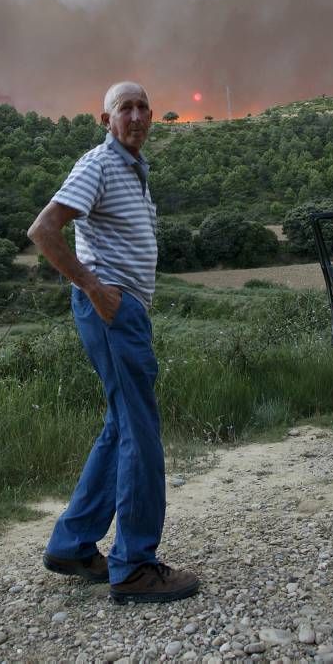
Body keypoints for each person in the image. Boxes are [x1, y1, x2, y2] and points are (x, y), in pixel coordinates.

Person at [27, 81, 199, 605]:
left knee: (121, 423)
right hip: (112, 308)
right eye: (125, 107)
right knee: (140, 430)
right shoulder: (99, 163)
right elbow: (44, 229)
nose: (137, 115)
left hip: (124, 310)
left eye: (144, 107)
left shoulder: (134, 171)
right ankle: (134, 566)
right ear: (105, 119)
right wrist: (94, 287)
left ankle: (74, 544)